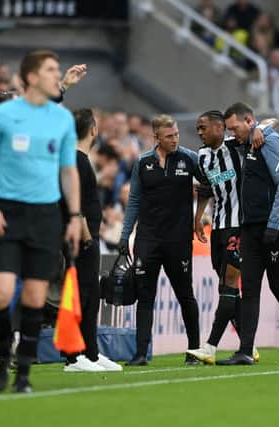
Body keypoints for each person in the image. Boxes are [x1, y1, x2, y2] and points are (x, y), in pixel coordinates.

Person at [0, 50, 81, 394]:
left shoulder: (62, 119)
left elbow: (68, 171)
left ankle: (23, 374)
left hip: (46, 216)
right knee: (0, 295)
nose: (57, 75)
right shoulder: (2, 116)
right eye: (51, 70)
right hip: (6, 213)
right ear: (31, 77)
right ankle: (2, 353)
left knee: (34, 298)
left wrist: (75, 216)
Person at [219, 102, 279, 365]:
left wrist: (274, 225)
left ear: (248, 121)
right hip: (251, 226)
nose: (232, 133)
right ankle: (245, 350)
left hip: (277, 226)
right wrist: (261, 125)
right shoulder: (247, 138)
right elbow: (259, 124)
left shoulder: (270, 143)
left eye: (234, 127)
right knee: (248, 286)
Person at [120, 114, 203, 367]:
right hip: (148, 239)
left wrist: (199, 217)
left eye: (176, 134)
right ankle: (141, 353)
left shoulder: (190, 159)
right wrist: (125, 236)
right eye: (169, 136)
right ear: (156, 137)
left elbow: (209, 185)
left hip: (178, 240)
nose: (175, 139)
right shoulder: (143, 162)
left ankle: (194, 350)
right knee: (145, 296)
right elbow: (134, 200)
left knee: (185, 295)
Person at [186, 110, 266, 365]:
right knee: (225, 288)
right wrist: (198, 218)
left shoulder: (238, 146)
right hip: (219, 227)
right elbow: (206, 190)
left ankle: (210, 347)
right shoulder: (203, 156)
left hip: (240, 227)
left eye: (203, 128)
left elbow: (268, 123)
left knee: (230, 284)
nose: (199, 133)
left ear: (220, 128)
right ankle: (247, 345)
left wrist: (264, 127)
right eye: (198, 128)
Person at [63, 108, 122, 372]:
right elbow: (77, 204)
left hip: (88, 236)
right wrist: (87, 237)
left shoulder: (79, 160)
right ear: (93, 130)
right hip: (82, 238)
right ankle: (74, 356)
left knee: (91, 293)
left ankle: (92, 352)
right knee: (81, 295)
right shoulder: (78, 161)